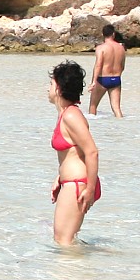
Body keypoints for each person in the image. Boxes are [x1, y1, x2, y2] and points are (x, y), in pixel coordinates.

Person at [47, 60, 101, 247]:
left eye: (51, 84)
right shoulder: (66, 115)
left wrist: (90, 189)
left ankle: (73, 276)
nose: (48, 88)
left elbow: (92, 152)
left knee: (64, 242)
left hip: (79, 185)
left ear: (59, 89)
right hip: (72, 183)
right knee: (65, 241)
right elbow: (74, 152)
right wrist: (59, 177)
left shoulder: (71, 115)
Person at [88, 24, 127, 118]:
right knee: (117, 109)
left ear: (103, 34)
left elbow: (98, 65)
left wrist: (93, 82)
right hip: (116, 79)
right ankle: (122, 127)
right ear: (113, 34)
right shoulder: (121, 48)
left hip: (103, 79)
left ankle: (92, 128)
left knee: (93, 106)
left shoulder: (101, 48)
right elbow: (122, 66)